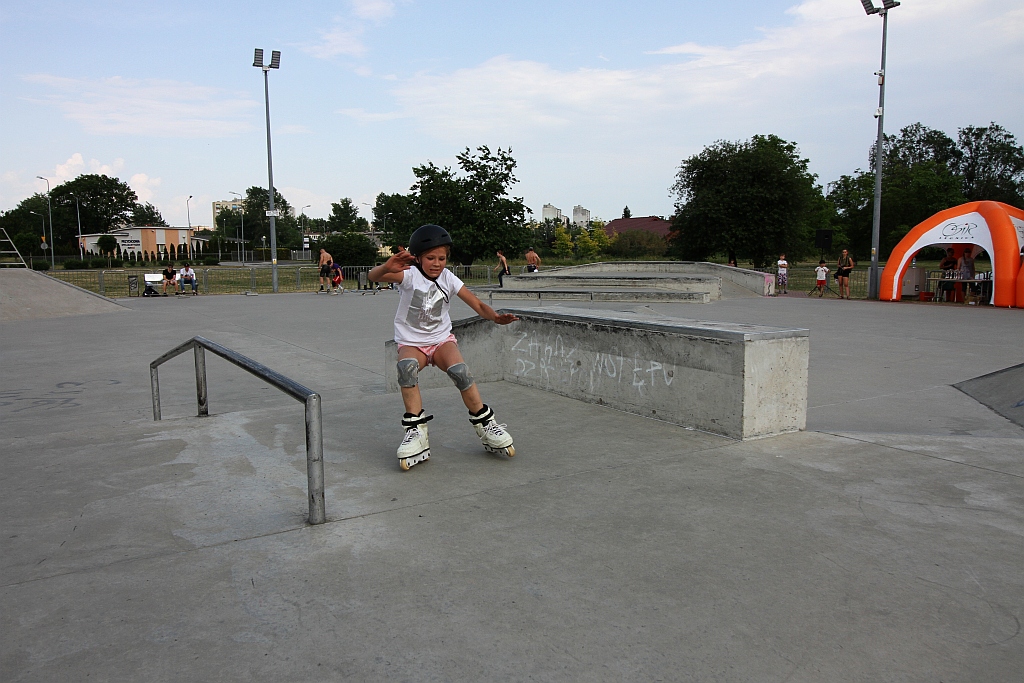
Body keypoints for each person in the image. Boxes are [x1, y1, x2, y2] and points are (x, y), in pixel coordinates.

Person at [368, 224, 519, 471]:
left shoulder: (449, 278)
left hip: (441, 341)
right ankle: (416, 432)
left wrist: (495, 317)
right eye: (430, 258)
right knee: (406, 368)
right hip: (412, 343)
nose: (436, 264)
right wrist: (387, 267)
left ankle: (486, 424)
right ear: (418, 257)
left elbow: (477, 304)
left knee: (461, 371)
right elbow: (373, 277)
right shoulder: (409, 275)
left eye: (442, 258)